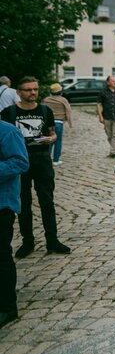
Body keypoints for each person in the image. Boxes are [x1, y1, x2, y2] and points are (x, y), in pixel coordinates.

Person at [0, 77, 71, 258]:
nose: (33, 93)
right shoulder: (9, 112)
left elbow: (53, 134)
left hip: (42, 160)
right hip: (20, 162)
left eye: (35, 89)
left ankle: (52, 239)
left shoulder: (45, 111)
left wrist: (50, 139)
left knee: (46, 200)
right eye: (28, 90)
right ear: (19, 92)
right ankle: (28, 241)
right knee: (23, 202)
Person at [0, 120, 28, 330]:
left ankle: (7, 307)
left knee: (1, 255)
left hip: (2, 204)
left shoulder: (7, 131)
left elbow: (20, 162)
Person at [43, 83, 73, 166]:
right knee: (58, 141)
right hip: (59, 123)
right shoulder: (63, 100)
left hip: (48, 123)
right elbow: (68, 111)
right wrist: (70, 122)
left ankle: (47, 159)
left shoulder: (46, 100)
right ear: (60, 92)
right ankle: (56, 160)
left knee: (49, 141)